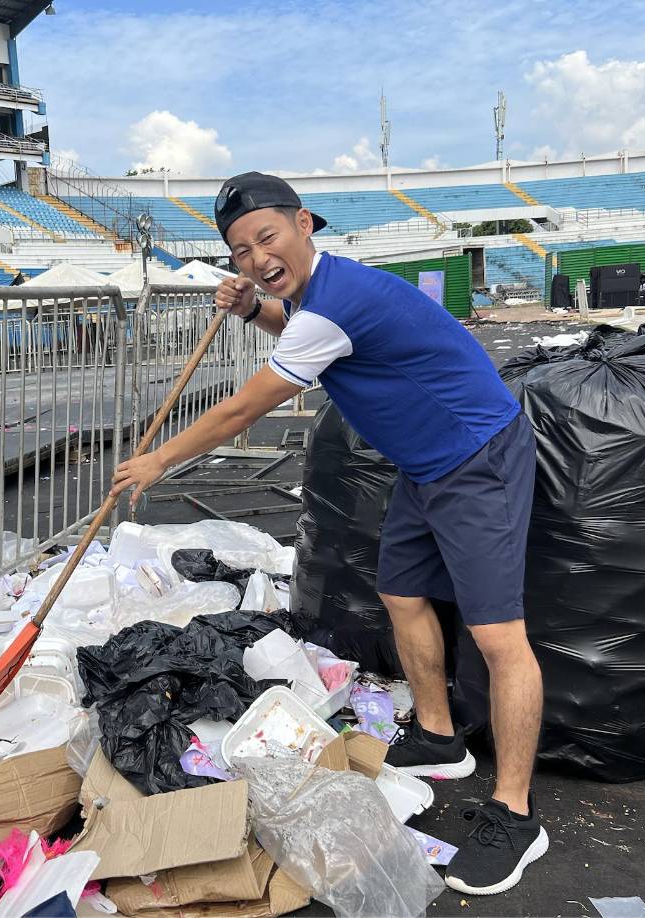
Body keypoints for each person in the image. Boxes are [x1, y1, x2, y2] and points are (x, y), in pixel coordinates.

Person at [111, 171, 547, 897]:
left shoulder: (335, 305)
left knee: (500, 639)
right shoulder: (323, 296)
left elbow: (239, 412)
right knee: (401, 592)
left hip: (476, 457)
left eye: (267, 237)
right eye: (240, 251)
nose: (256, 256)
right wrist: (256, 309)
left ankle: (515, 813)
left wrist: (159, 458)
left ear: (304, 224)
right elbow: (305, 329)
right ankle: (440, 739)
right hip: (422, 464)